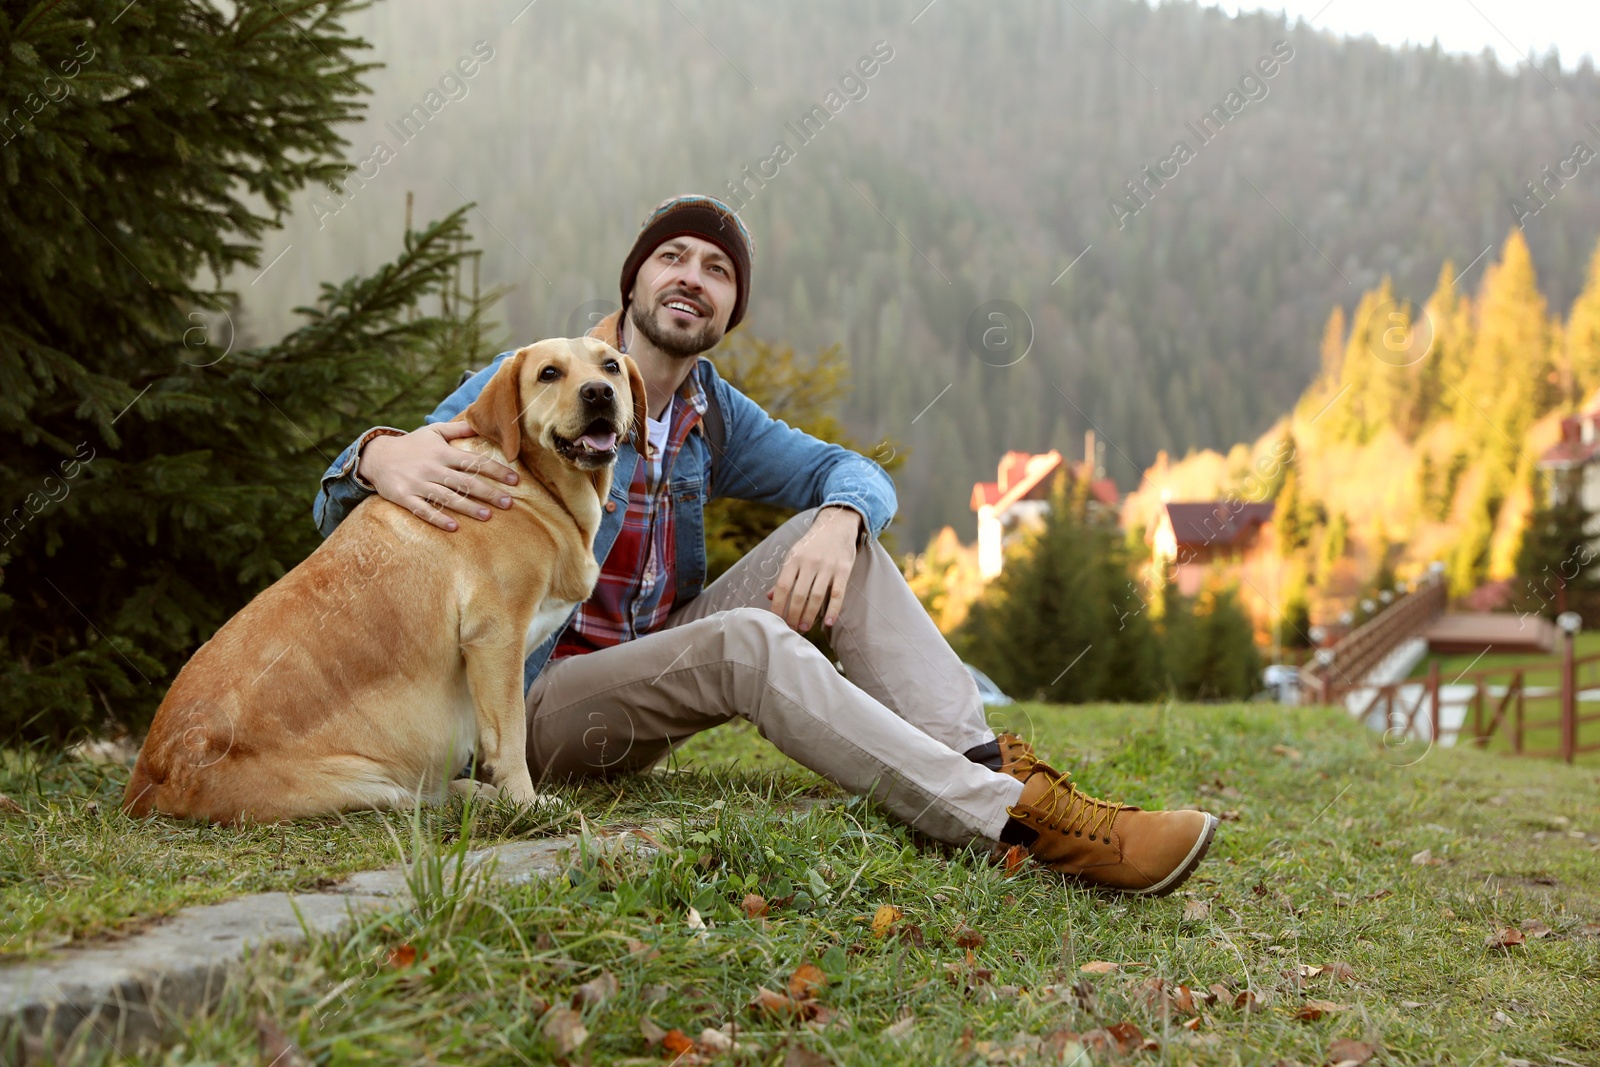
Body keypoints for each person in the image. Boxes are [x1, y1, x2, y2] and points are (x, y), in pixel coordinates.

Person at [314, 194, 1218, 895]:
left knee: (843, 538)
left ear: (729, 307)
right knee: (747, 641)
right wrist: (374, 456)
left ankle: (985, 765)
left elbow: (854, 471)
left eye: (716, 268)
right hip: (531, 704)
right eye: (670, 256)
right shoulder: (544, 375)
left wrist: (838, 520)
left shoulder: (715, 415)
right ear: (632, 283)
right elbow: (343, 513)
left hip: (645, 675)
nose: (690, 276)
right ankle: (1009, 825)